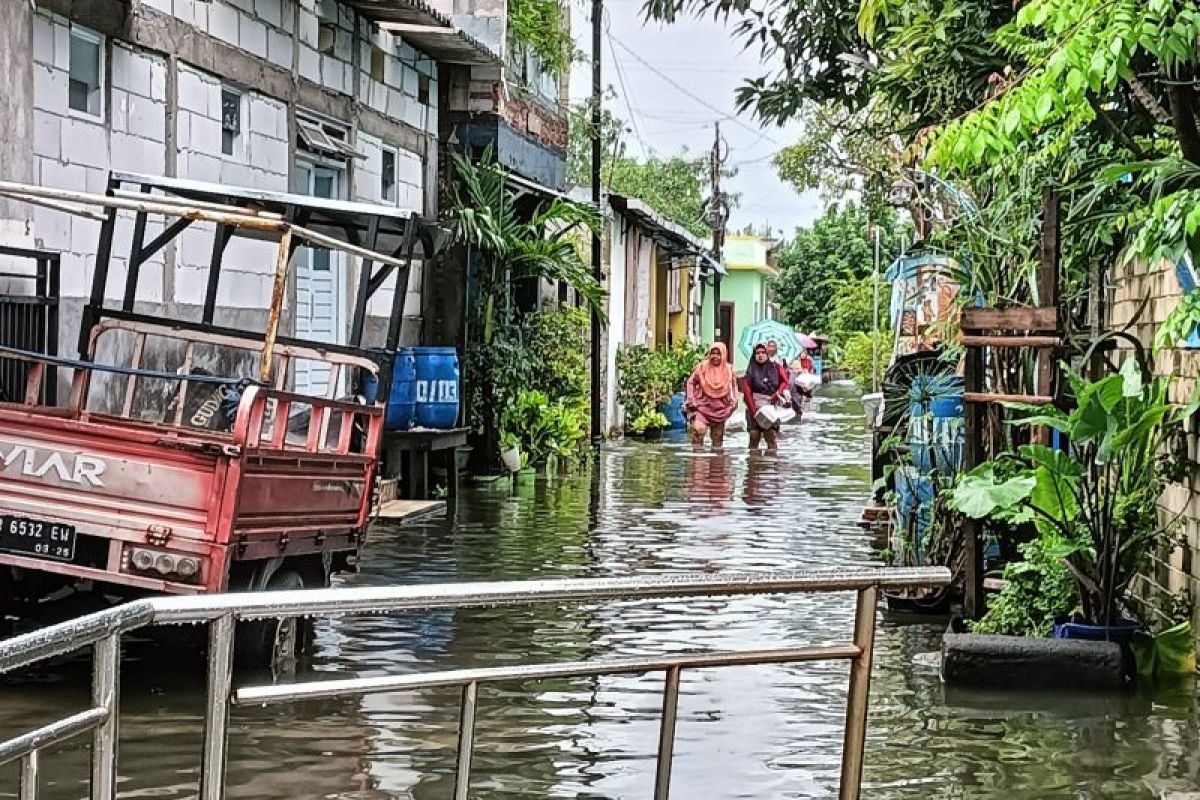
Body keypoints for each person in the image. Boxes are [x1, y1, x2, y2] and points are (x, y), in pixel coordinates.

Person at [685, 342, 738, 447]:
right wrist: (691, 399)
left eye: (718, 354)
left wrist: (734, 401)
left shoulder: (728, 370)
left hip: (721, 409)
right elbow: (691, 382)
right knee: (698, 431)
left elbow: (734, 386)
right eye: (713, 353)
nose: (715, 357)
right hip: (703, 407)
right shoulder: (702, 368)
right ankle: (698, 459)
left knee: (717, 439)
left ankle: (717, 462)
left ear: (723, 355)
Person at [742, 342, 790, 450]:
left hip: (771, 406)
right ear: (754, 355)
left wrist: (778, 393)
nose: (760, 355)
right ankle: (753, 463)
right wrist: (754, 410)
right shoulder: (750, 371)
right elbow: (747, 391)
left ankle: (771, 464)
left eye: (763, 352)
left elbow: (784, 381)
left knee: (771, 436)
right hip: (754, 405)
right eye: (758, 353)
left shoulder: (776, 367)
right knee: (754, 436)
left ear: (767, 354)